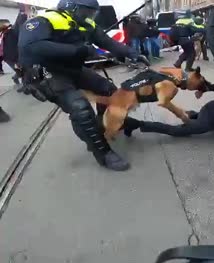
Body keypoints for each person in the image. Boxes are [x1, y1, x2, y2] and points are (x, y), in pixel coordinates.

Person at [18, 0, 141, 171]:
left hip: (72, 69)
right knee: (80, 108)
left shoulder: (86, 24)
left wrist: (133, 54)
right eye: (87, 12)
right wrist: (78, 51)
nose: (90, 17)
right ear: (72, 7)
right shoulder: (42, 21)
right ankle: (103, 152)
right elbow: (31, 47)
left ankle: (99, 125)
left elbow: (107, 42)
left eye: (93, 13)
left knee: (110, 91)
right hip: (47, 72)